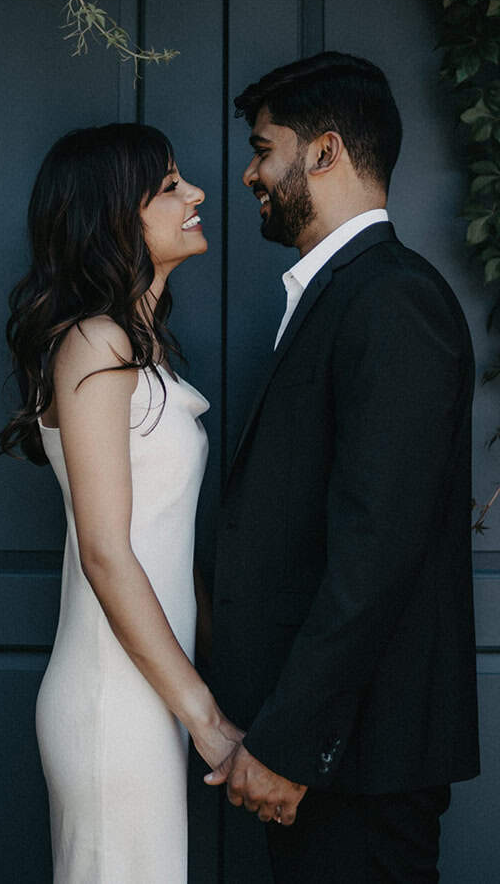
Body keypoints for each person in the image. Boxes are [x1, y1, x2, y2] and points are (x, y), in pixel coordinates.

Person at [205, 52, 481, 881]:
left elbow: (375, 550)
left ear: (323, 152)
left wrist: (291, 746)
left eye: (264, 148)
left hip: (355, 761)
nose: (251, 172)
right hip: (334, 757)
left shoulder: (392, 299)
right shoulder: (347, 294)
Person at [0, 123, 243, 882]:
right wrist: (207, 719)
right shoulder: (94, 344)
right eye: (169, 186)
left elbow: (163, 537)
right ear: (112, 218)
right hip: (114, 701)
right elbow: (106, 548)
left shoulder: (139, 348)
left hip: (152, 692)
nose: (196, 192)